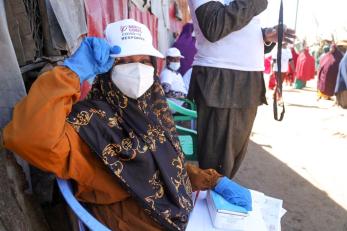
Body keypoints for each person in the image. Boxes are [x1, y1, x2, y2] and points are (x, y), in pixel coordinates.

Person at [1, 19, 252, 231]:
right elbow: (28, 138)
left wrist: (212, 180)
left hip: (175, 214)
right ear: (105, 69)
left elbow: (165, 165)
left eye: (144, 61)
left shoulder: (153, 109)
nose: (138, 69)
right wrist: (72, 73)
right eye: (124, 61)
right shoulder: (89, 123)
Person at [187, 0, 295, 178]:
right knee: (216, 164)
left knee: (232, 160)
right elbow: (214, 26)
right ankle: (212, 199)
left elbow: (239, 28)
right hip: (222, 78)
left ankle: (217, 198)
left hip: (247, 78)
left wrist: (266, 35)